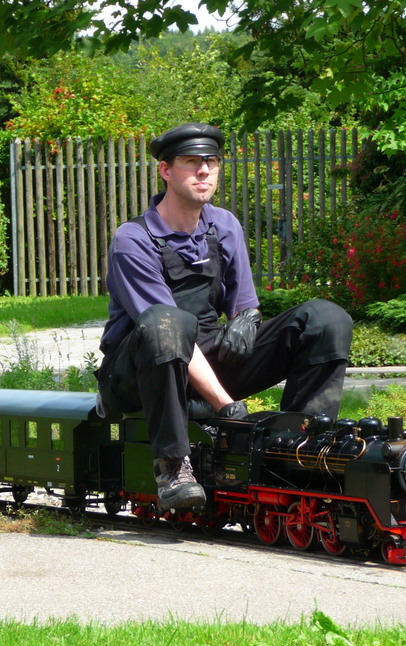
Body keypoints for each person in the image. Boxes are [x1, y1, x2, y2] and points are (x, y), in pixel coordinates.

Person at [95, 123, 353, 513]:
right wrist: (225, 405)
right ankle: (172, 468)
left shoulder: (224, 225)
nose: (204, 171)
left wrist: (246, 321)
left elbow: (244, 303)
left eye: (212, 162)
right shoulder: (133, 239)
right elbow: (163, 324)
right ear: (165, 170)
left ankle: (301, 449)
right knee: (171, 322)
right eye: (191, 162)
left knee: (324, 318)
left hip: (205, 356)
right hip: (140, 373)